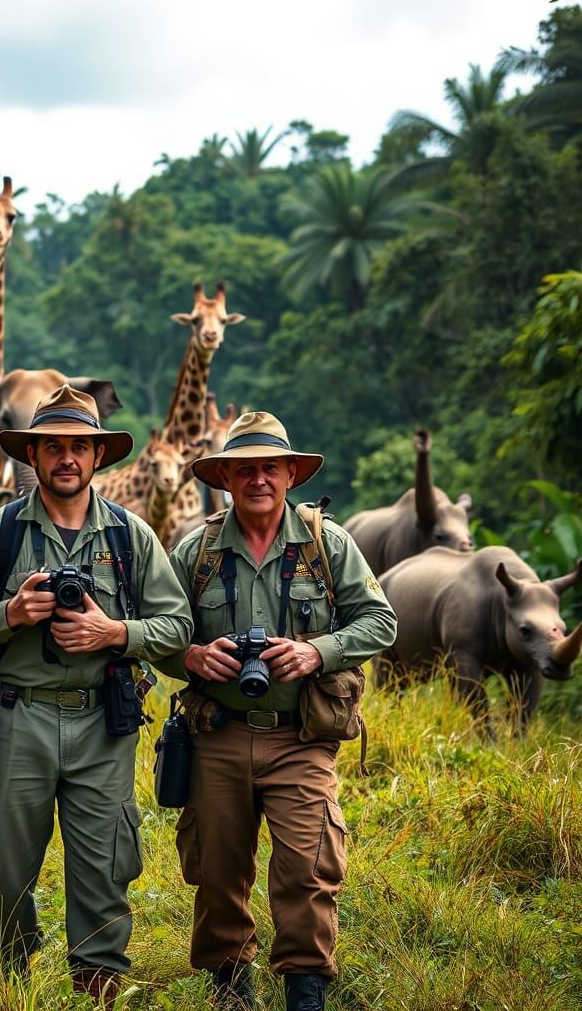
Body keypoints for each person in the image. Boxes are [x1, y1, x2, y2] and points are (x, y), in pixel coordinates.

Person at [0, 385, 193, 1003]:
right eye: (54, 447)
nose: (67, 458)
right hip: (17, 717)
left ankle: (98, 988)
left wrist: (115, 631)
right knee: (5, 869)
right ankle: (5, 988)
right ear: (35, 455)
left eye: (80, 446)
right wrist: (12, 613)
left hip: (105, 721)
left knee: (105, 869)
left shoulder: (132, 537)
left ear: (98, 456)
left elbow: (178, 626)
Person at [159, 411, 397, 1011]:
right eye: (245, 469)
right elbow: (158, 633)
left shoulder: (326, 544)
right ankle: (229, 986)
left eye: (270, 467)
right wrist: (191, 656)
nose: (258, 479)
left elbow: (381, 621)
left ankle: (305, 990)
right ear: (226, 477)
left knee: (309, 866)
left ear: (290, 473)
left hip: (301, 736)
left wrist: (317, 651)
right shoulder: (198, 550)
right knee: (217, 869)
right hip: (217, 733)